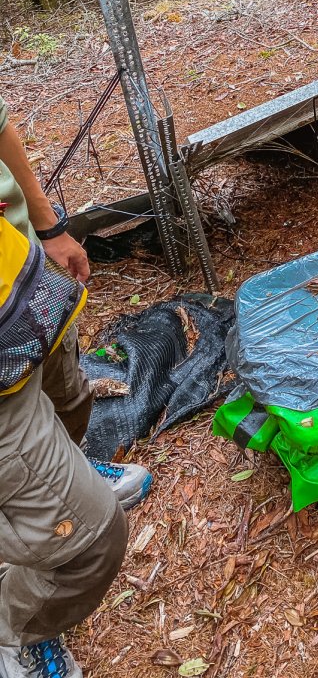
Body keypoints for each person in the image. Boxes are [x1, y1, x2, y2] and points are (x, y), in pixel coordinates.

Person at [0, 96, 152, 678]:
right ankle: (19, 625)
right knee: (90, 545)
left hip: (23, 280)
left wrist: (47, 227)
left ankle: (65, 477)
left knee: (69, 396)